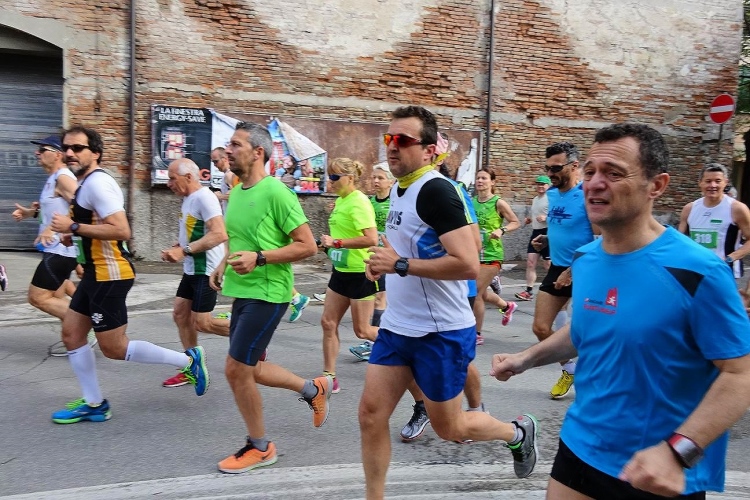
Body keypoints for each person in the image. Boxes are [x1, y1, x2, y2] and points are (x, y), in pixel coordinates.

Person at [492, 122, 750, 500]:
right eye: (591, 172)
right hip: (582, 445)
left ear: (656, 185)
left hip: (657, 469)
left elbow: (740, 374)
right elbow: (587, 328)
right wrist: (525, 359)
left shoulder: (699, 271)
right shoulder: (586, 258)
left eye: (614, 173)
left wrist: (678, 451)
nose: (595, 183)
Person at [360, 106, 538, 500]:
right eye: (389, 138)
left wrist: (400, 264)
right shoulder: (400, 190)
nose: (392, 146)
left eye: (402, 139)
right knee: (371, 416)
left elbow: (468, 263)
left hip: (439, 331)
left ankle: (517, 432)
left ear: (428, 150)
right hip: (398, 327)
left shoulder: (436, 190)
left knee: (451, 427)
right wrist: (384, 264)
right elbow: (410, 250)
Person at [47, 125, 209, 424]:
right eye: (66, 147)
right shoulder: (83, 184)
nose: (69, 152)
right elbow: (94, 227)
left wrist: (73, 227)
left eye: (78, 148)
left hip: (110, 275)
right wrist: (74, 235)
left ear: (95, 153)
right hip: (94, 273)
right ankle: (95, 403)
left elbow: (122, 230)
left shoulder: (97, 184)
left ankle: (188, 361)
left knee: (114, 347)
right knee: (71, 334)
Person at [209, 121, 332, 474]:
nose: (228, 150)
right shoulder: (237, 191)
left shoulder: (277, 192)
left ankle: (260, 447)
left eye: (235, 144)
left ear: (257, 152)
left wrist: (260, 258)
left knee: (236, 370)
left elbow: (307, 246)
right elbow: (238, 238)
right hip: (242, 291)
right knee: (249, 368)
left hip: (268, 293)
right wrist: (222, 264)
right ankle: (312, 389)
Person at [11, 134, 93, 356]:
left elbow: (84, 207)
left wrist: (55, 228)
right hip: (56, 250)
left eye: (42, 150)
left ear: (58, 154)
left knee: (38, 297)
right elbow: (56, 210)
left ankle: (84, 324)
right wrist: (31, 213)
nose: (37, 153)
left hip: (61, 250)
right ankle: (77, 337)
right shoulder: (53, 178)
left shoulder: (63, 178)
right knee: (57, 295)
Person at [530, 141, 594, 399]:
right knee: (540, 327)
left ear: (574, 165)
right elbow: (563, 227)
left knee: (590, 333)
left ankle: (599, 381)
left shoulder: (588, 194)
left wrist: (573, 268)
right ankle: (570, 369)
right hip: (558, 267)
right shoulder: (553, 195)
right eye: (548, 168)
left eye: (556, 168)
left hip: (587, 270)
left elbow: (600, 239)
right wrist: (546, 239)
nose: (550, 173)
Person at [160, 158, 230, 387]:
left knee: (203, 323)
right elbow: (196, 230)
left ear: (189, 177)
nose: (169, 183)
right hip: (192, 268)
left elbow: (219, 233)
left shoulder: (204, 197)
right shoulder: (188, 198)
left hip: (206, 269)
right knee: (180, 314)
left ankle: (251, 337)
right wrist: (179, 245)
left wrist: (184, 250)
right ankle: (193, 366)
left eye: (172, 178)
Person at [319, 157, 379, 389]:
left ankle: (407, 345)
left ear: (350, 178)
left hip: (360, 272)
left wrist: (337, 242)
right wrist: (328, 245)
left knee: (362, 330)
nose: (330, 181)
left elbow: (371, 238)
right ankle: (329, 378)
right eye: (329, 176)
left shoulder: (359, 202)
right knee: (328, 322)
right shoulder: (341, 201)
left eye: (335, 177)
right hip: (340, 271)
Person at [349, 161, 394, 362]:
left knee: (380, 298)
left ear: (391, 182)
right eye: (374, 177)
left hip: (390, 257)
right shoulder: (368, 202)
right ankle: (380, 340)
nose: (376, 181)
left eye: (380, 178)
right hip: (372, 256)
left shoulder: (396, 202)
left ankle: (374, 344)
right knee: (379, 298)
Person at [472, 168, 521, 345]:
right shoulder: (472, 202)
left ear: (492, 182)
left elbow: (515, 222)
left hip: (492, 254)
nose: (480, 181)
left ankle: (477, 334)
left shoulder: (498, 203)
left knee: (476, 292)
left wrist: (502, 230)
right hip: (474, 253)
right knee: (481, 292)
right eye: (478, 178)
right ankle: (507, 306)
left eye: (484, 178)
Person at [678, 163, 750, 279]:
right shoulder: (689, 209)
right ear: (700, 183)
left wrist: (730, 258)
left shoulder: (737, 208)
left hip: (725, 272)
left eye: (717, 181)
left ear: (725, 182)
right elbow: (680, 240)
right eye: (708, 181)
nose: (713, 185)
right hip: (695, 271)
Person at [515, 175, 552, 301]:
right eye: (538, 184)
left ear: (548, 185)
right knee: (530, 262)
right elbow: (536, 214)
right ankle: (529, 291)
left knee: (548, 264)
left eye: (543, 184)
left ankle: (554, 288)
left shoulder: (551, 198)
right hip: (536, 232)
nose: (540, 186)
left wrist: (546, 218)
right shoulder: (535, 199)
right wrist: (530, 219)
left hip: (547, 233)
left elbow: (558, 216)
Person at [210, 146, 236, 213]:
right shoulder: (227, 174)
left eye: (216, 161)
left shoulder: (229, 174)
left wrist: (220, 196)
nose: (214, 165)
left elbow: (236, 195)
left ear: (225, 159)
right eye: (213, 162)